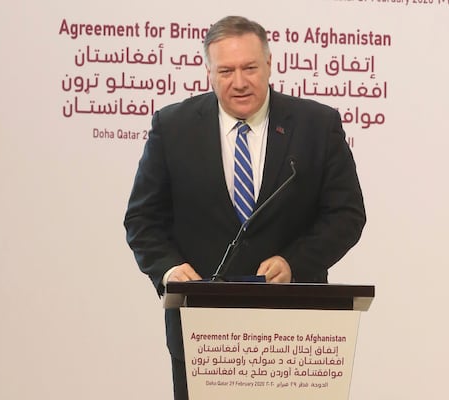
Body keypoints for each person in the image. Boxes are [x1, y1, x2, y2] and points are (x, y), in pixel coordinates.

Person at [124, 15, 366, 400]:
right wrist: (167, 267)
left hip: (294, 332)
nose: (239, 82)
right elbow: (142, 219)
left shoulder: (316, 125)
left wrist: (293, 263)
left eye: (250, 68)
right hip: (202, 330)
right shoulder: (173, 127)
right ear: (208, 72)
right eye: (226, 70)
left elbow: (347, 214)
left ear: (270, 64)